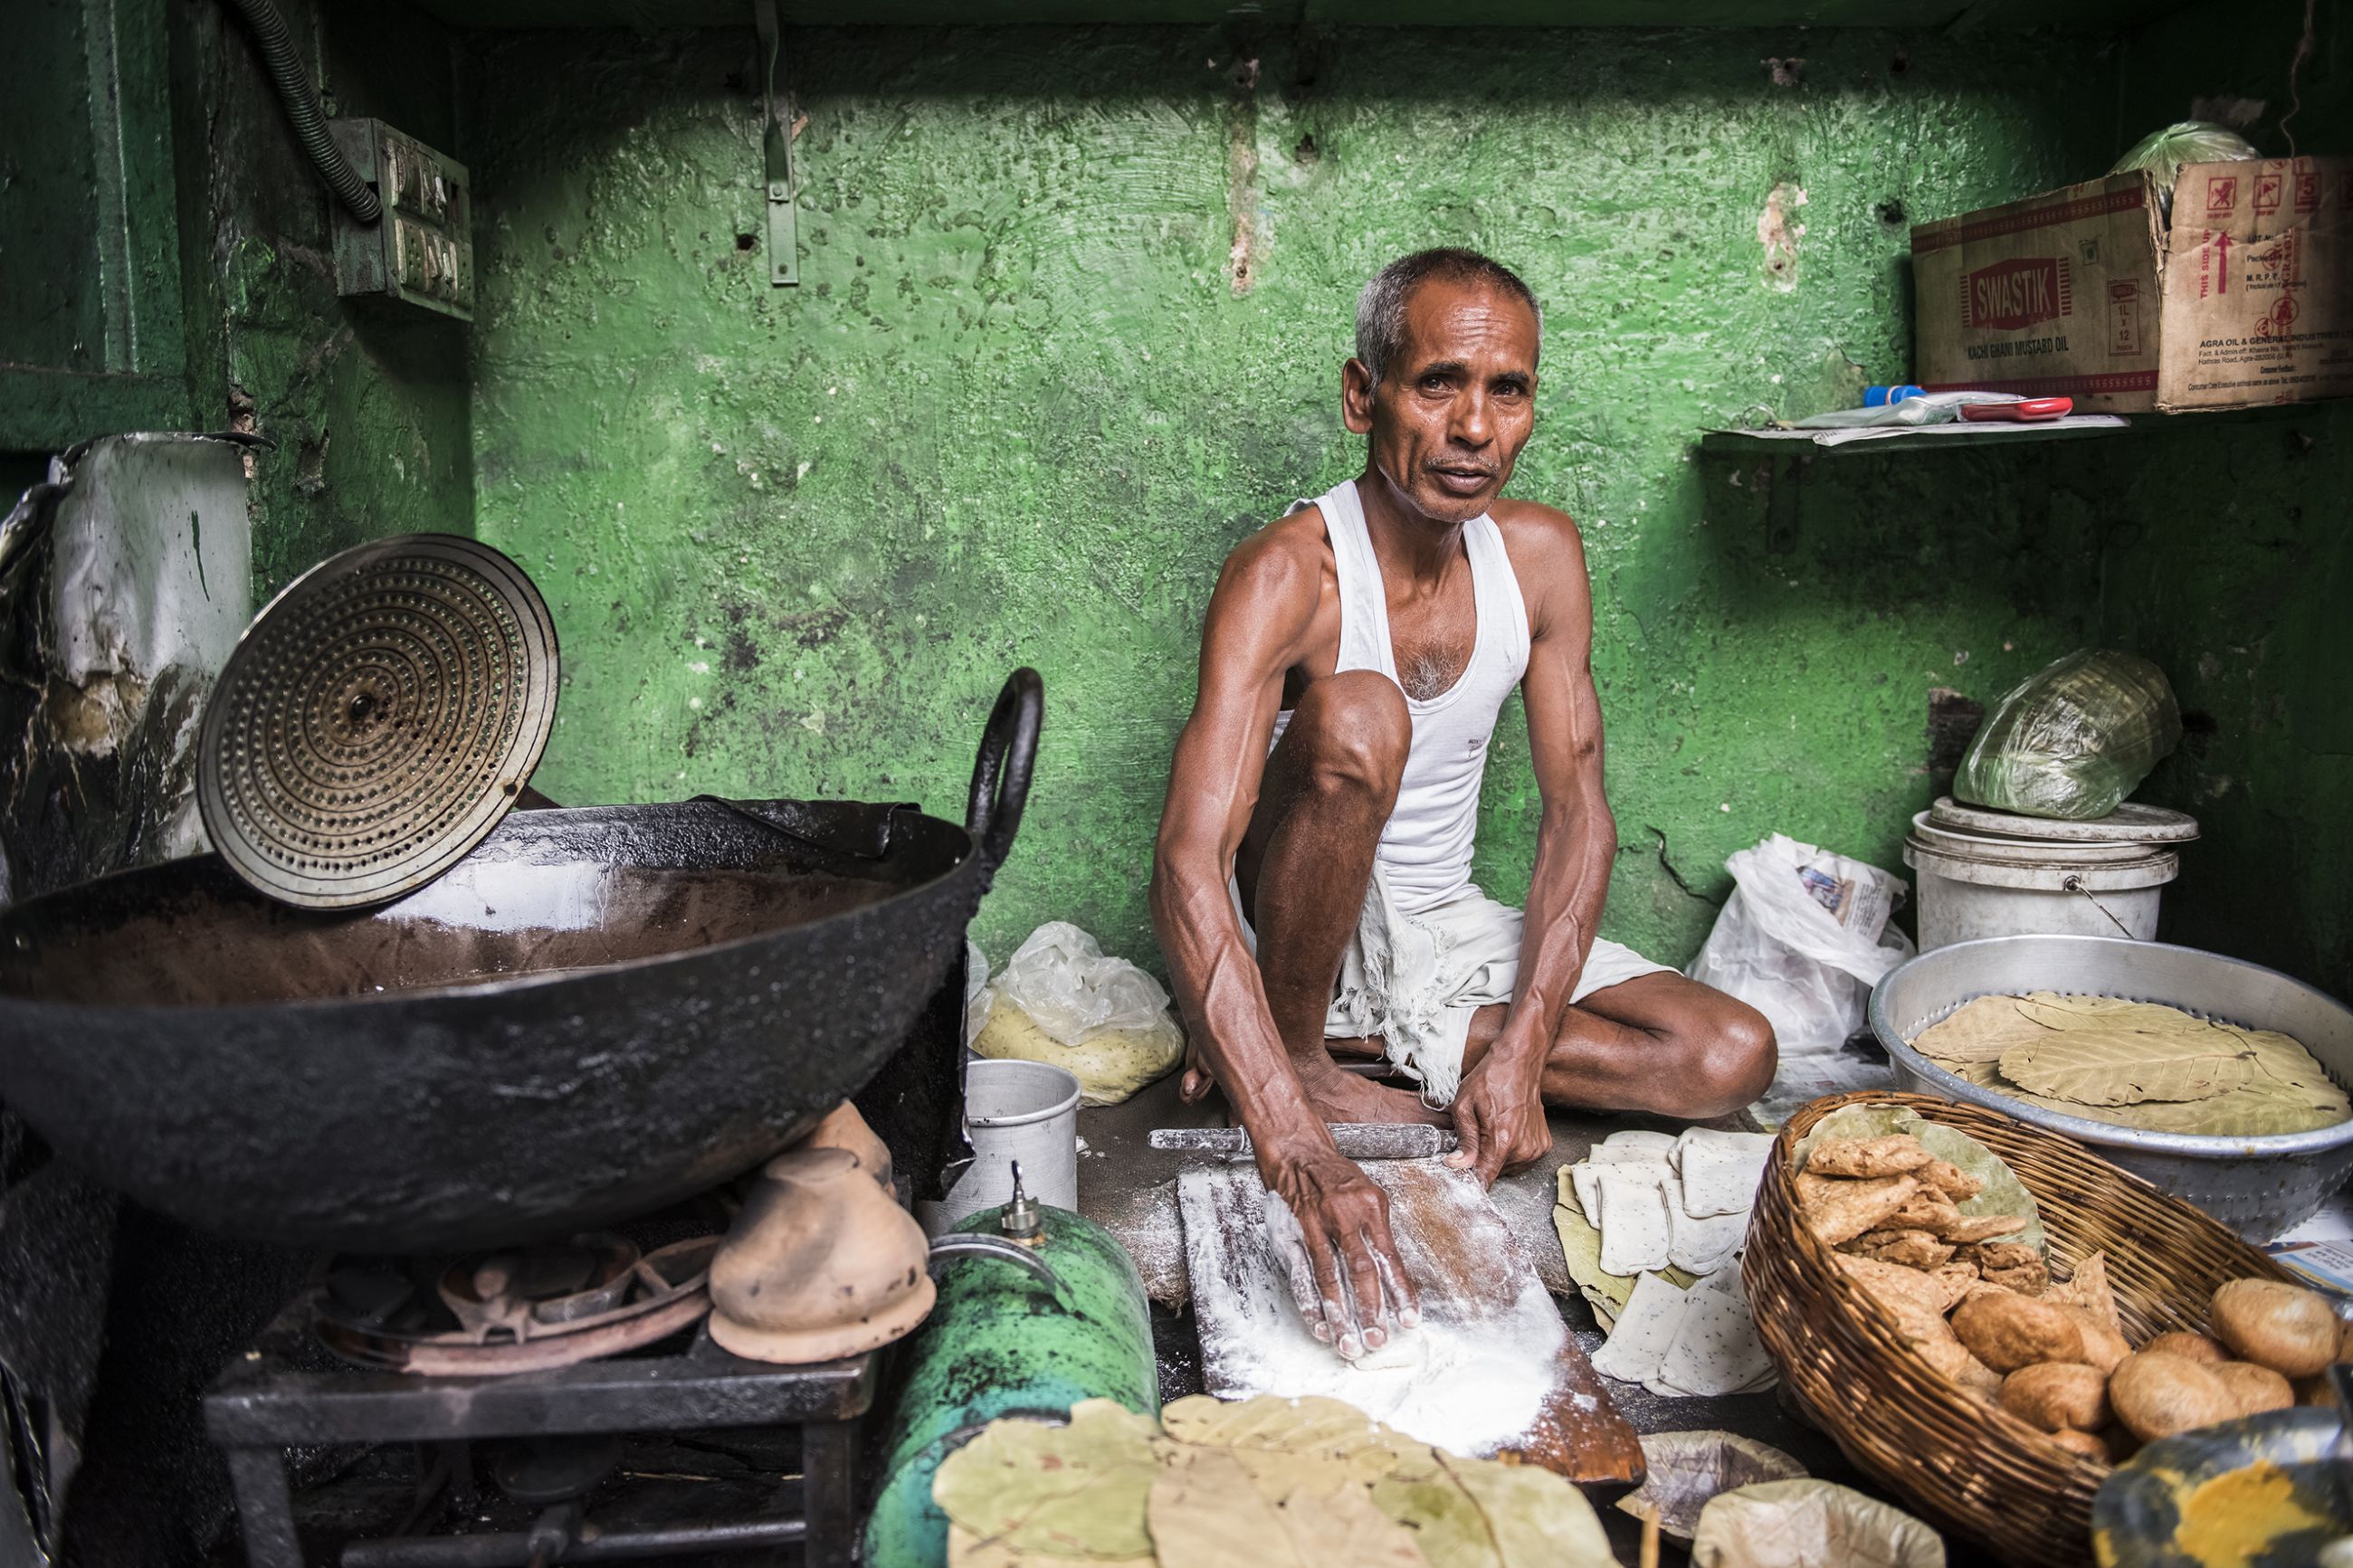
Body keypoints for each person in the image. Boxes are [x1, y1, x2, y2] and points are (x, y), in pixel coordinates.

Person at [1148, 248, 1777, 1359]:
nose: (1474, 427)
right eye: (1437, 382)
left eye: (1508, 389)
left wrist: (1526, 1043)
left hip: (1443, 931)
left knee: (1727, 1055)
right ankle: (1298, 1047)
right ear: (1362, 396)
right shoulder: (1289, 572)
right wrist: (1294, 1143)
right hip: (1303, 932)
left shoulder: (1537, 558)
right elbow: (1187, 864)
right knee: (1358, 716)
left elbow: (1577, 813)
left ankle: (1403, 1048)